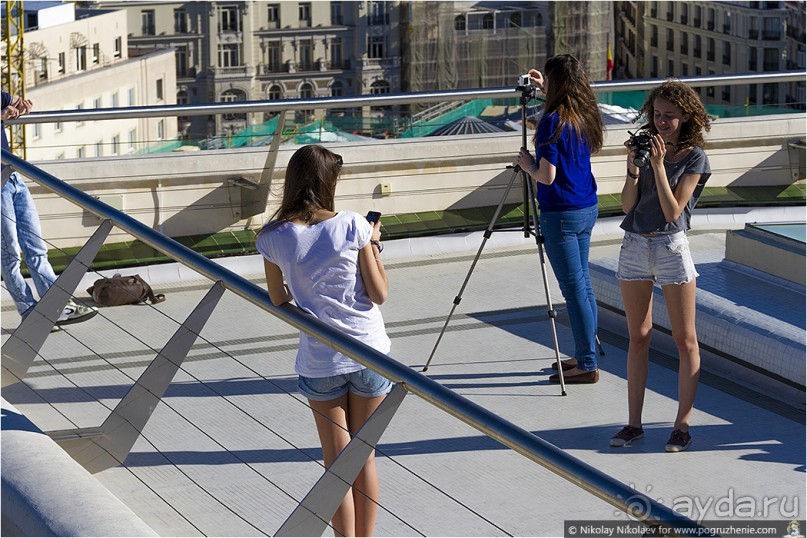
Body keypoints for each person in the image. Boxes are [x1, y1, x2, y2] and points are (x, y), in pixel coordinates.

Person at [256, 145, 392, 537]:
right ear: (328, 182)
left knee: (336, 464)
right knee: (363, 456)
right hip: (368, 352)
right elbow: (379, 294)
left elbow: (279, 299)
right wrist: (374, 245)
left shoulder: (273, 236)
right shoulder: (354, 225)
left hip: (320, 360)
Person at [609, 79, 711, 453]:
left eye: (670, 116)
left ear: (686, 117)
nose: (662, 122)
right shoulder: (644, 150)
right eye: (657, 114)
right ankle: (633, 424)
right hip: (635, 243)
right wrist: (634, 170)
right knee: (638, 337)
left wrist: (659, 165)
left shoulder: (694, 158)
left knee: (685, 341)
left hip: (670, 246)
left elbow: (672, 212)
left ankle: (681, 425)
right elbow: (626, 205)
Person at [515, 54, 605, 384]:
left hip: (561, 213)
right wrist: (543, 87)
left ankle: (587, 363)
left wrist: (527, 166)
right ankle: (587, 353)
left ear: (557, 84)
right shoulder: (583, 114)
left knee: (574, 290)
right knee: (583, 286)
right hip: (585, 207)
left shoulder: (551, 121)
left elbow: (547, 176)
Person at [1, 91, 97, 326]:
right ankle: (29, 312)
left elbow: (6, 98)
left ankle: (57, 305)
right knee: (10, 253)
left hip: (13, 176)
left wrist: (13, 105)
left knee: (36, 246)